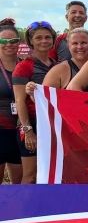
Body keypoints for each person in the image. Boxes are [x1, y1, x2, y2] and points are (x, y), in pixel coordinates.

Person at [12, 21, 57, 184]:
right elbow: (19, 101)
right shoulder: (24, 66)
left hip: (51, 124)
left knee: (49, 173)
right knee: (31, 175)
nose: (43, 41)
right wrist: (28, 131)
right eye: (38, 38)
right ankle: (24, 210)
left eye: (47, 37)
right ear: (30, 41)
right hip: (31, 123)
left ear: (53, 39)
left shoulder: (57, 66)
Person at [0, 18, 23, 184]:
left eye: (13, 40)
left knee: (18, 185)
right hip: (0, 131)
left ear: (19, 42)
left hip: (20, 131)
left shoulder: (25, 65)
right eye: (3, 41)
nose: (9, 44)